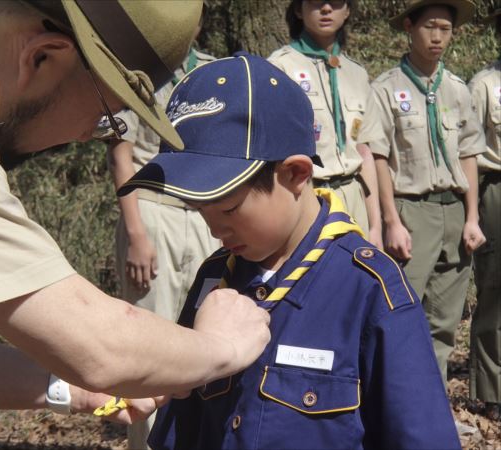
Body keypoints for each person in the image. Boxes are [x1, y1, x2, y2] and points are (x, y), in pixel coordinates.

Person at [0, 0, 271, 445]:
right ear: (43, 56)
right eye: (105, 117)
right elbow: (96, 344)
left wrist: (71, 388)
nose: (86, 136)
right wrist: (222, 347)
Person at [117, 53, 461, 450]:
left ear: (295, 174)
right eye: (200, 210)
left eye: (228, 208)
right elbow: (183, 430)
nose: (214, 228)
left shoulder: (369, 291)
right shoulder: (217, 279)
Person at [108, 5, 219, 449]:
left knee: (206, 340)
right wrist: (136, 232)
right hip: (154, 213)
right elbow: (121, 154)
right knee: (149, 347)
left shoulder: (215, 72)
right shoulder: (134, 67)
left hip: (208, 214)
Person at [361, 0, 486, 383]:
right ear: (410, 27)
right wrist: (390, 221)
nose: (437, 37)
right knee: (400, 313)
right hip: (412, 212)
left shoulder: (457, 89)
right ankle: (393, 410)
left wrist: (472, 217)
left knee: (444, 323)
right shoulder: (386, 88)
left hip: (454, 214)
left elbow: (468, 154)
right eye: (430, 27)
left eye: (445, 29)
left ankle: (434, 411)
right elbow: (378, 157)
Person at [268, 0, 382, 248]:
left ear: (348, 10)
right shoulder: (280, 67)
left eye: (336, 2)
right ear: (299, 9)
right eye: (317, 2)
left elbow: (364, 150)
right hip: (309, 194)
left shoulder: (357, 74)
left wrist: (375, 225)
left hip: (354, 193)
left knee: (356, 278)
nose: (327, 9)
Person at [468, 6, 501, 422]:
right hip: (496, 191)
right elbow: (469, 155)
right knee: (494, 291)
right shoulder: (484, 85)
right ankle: (492, 390)